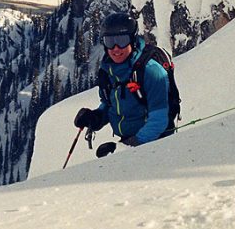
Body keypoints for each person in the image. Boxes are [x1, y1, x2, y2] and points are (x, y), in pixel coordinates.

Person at [73, 11, 172, 148]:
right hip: (130, 141)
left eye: (122, 41)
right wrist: (96, 117)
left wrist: (129, 146)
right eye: (110, 42)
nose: (116, 48)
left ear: (132, 39)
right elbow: (111, 103)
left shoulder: (151, 71)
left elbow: (159, 119)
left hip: (157, 144)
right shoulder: (108, 71)